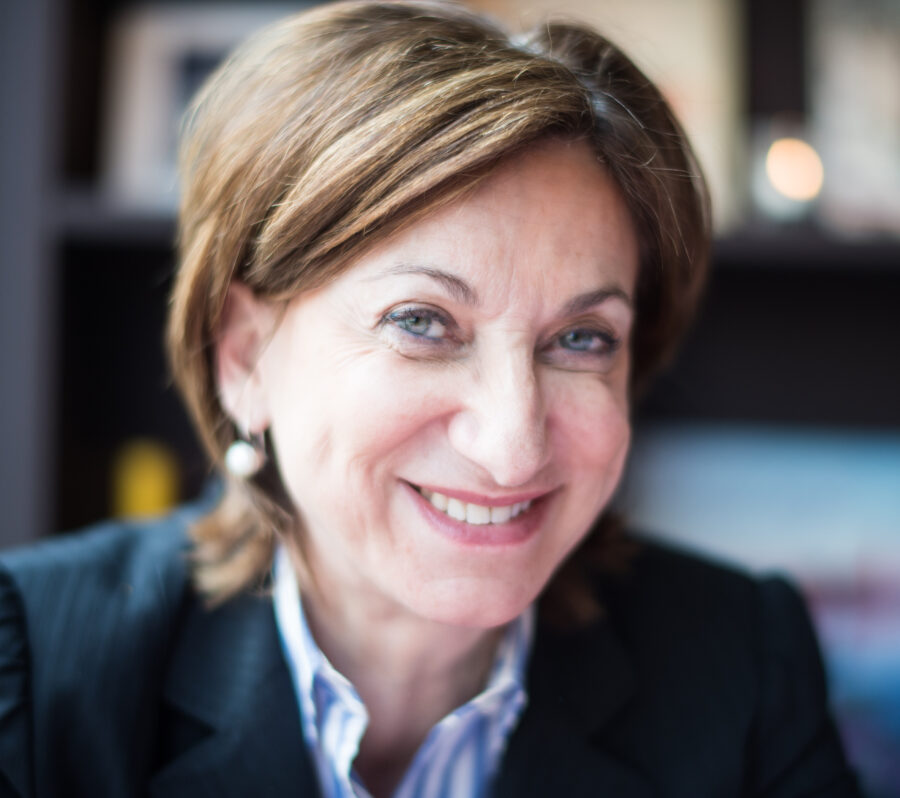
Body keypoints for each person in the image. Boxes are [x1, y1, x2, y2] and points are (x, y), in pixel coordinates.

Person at [0, 2, 860, 796]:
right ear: (245, 356)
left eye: (581, 339)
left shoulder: (744, 664)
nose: (513, 446)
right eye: (421, 322)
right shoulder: (38, 670)